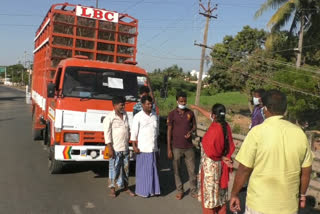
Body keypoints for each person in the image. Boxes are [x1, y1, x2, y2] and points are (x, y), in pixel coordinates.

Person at [230, 90, 313, 214]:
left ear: (266, 109)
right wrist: (302, 195)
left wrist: (234, 194)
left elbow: (244, 169)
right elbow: (306, 172)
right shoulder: (299, 134)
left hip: (259, 205)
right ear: (285, 109)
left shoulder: (257, 132)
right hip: (288, 207)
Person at [190, 104, 235, 214]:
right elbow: (229, 145)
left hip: (211, 167)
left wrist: (221, 157)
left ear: (214, 115)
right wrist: (197, 107)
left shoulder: (215, 129)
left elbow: (211, 151)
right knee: (220, 194)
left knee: (209, 196)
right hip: (221, 165)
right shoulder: (225, 125)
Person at [167, 91, 197, 200]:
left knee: (192, 170)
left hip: (189, 147)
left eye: (185, 101)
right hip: (176, 147)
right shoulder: (172, 114)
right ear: (177, 101)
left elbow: (194, 126)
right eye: (181, 101)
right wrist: (169, 148)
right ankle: (180, 191)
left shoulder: (190, 113)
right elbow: (169, 131)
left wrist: (191, 131)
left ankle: (193, 191)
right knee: (177, 170)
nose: (183, 103)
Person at [103, 96, 135, 198]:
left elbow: (128, 129)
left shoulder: (125, 115)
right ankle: (113, 190)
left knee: (126, 170)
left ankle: (126, 187)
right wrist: (110, 148)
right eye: (121, 105)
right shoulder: (109, 117)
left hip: (125, 148)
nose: (123, 106)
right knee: (114, 170)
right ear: (115, 105)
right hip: (115, 149)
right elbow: (107, 134)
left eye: (124, 104)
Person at [130, 95, 161, 197]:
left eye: (151, 103)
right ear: (142, 105)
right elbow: (133, 133)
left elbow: (156, 133)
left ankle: (152, 191)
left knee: (152, 171)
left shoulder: (154, 116)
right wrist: (134, 146)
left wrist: (157, 148)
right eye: (148, 104)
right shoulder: (138, 116)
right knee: (143, 172)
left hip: (153, 148)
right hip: (142, 149)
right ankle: (142, 191)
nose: (150, 105)